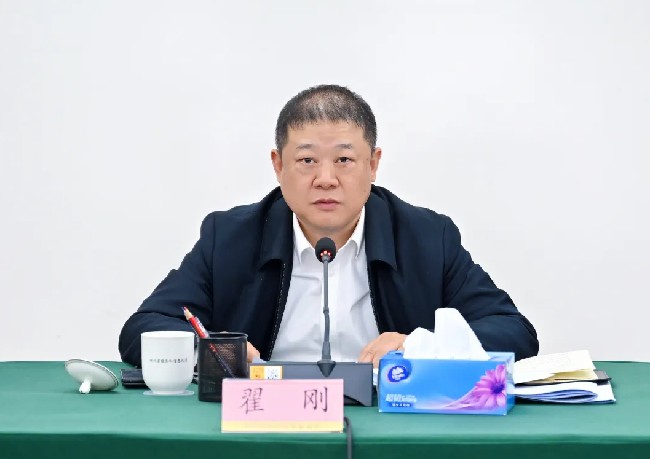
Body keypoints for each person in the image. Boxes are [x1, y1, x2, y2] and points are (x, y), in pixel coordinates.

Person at [118, 84, 538, 368]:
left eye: (344, 160)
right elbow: (144, 327)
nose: (325, 179)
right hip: (267, 420)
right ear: (278, 165)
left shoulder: (427, 237)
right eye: (306, 160)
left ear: (373, 164)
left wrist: (419, 346)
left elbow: (513, 332)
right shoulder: (228, 237)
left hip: (387, 418)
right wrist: (218, 352)